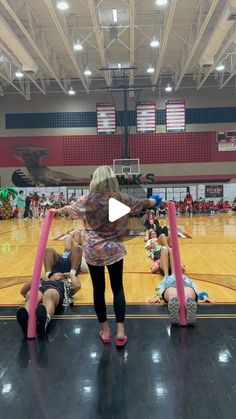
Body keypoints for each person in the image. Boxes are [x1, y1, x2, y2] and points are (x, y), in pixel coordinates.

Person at [52, 165, 162, 347]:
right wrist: (155, 201)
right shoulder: (119, 198)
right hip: (114, 249)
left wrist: (55, 211)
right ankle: (120, 331)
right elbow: (142, 203)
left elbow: (68, 210)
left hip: (93, 250)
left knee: (98, 290)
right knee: (117, 288)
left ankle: (105, 330)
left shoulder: (86, 200)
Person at [16, 271, 81, 336]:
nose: (61, 274)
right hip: (40, 290)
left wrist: (71, 274)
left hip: (55, 291)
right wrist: (36, 278)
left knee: (49, 294)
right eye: (58, 273)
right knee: (33, 295)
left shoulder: (65, 284)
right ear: (51, 276)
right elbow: (23, 292)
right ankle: (26, 318)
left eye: (63, 276)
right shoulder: (41, 282)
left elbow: (77, 286)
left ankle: (45, 320)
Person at [148, 274, 213, 324]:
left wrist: (204, 296)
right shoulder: (167, 278)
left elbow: (196, 289)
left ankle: (187, 303)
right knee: (173, 294)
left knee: (186, 293)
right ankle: (178, 303)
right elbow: (160, 288)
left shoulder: (186, 278)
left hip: (184, 285)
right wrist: (157, 296)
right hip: (172, 285)